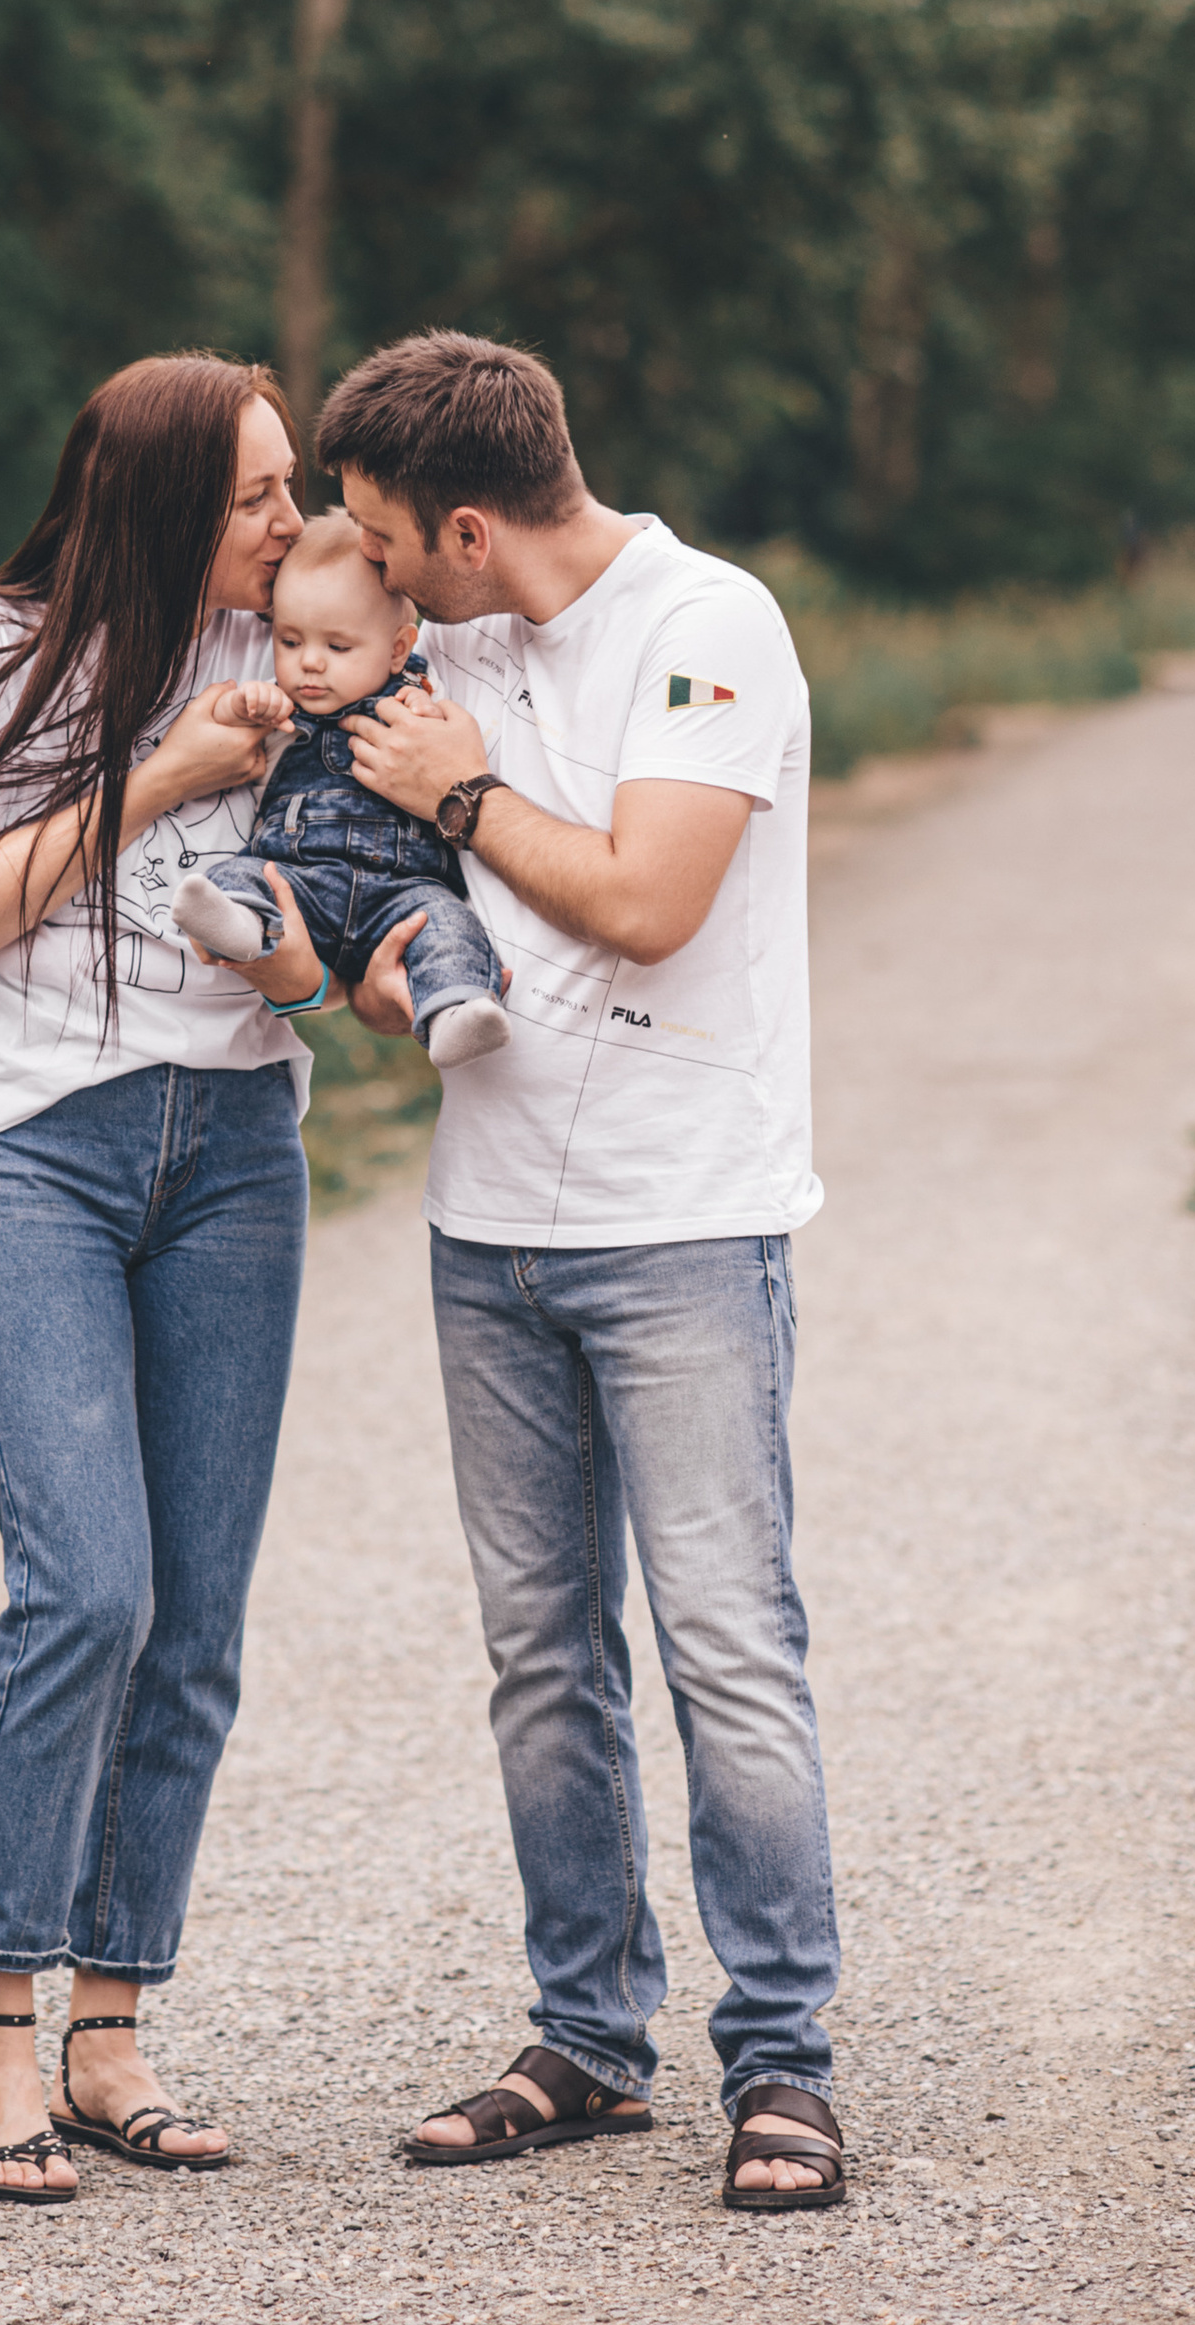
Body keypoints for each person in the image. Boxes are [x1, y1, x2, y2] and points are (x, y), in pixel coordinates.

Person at [316, 330, 846, 2215]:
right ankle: (591, 2036)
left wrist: (460, 794)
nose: (373, 573)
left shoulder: (712, 621)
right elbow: (405, 907)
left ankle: (780, 2054)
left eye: (391, 541)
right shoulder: (444, 644)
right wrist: (381, 962)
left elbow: (644, 896)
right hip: (487, 1227)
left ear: (472, 525)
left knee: (725, 1640)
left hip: (684, 1214)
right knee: (544, 1655)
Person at [0, 353, 332, 2207]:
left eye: (288, 491)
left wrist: (314, 952)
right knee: (88, 1586)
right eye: (256, 495)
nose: (289, 525)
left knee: (197, 1610)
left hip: (236, 1150)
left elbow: (344, 910)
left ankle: (115, 2023)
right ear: (155, 502)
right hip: (28, 1148)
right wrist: (161, 777)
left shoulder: (298, 654)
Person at [170, 508, 511, 1067]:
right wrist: (244, 707)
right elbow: (223, 736)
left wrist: (427, 713)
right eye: (290, 640)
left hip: (406, 891)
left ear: (399, 649)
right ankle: (238, 923)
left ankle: (456, 1011)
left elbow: (458, 742)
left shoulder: (417, 699)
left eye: (338, 648)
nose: (309, 663)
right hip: (300, 885)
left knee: (450, 929)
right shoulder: (284, 712)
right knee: (243, 874)